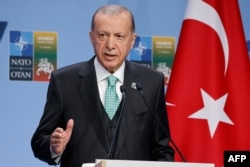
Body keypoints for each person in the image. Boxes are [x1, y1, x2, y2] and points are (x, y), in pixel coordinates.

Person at [31, 4, 174, 167]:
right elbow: (39, 140)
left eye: (119, 36)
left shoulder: (151, 82)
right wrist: (54, 146)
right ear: (91, 37)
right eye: (103, 35)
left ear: (132, 40)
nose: (110, 45)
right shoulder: (64, 81)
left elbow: (162, 150)